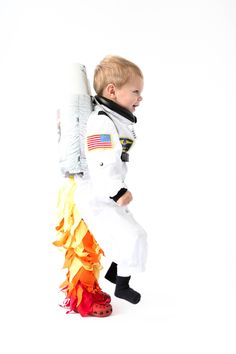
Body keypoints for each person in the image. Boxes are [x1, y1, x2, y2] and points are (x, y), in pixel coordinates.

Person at [74, 55, 148, 305]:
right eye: (136, 91)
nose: (140, 98)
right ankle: (121, 284)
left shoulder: (115, 119)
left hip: (108, 193)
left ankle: (117, 274)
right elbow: (100, 160)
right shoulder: (101, 122)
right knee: (132, 236)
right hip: (97, 193)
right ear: (112, 91)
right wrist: (117, 191)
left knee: (134, 236)